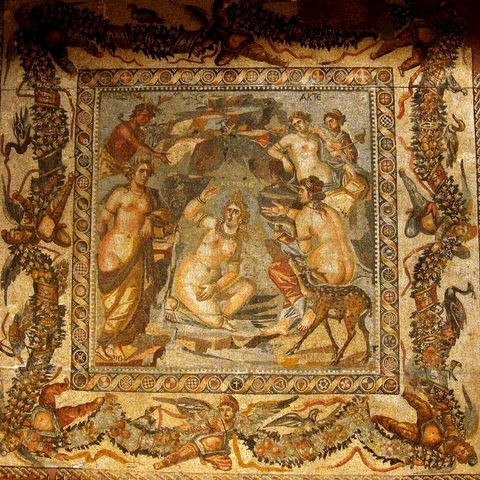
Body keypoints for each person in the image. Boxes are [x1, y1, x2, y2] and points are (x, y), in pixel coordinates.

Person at [96, 158, 170, 361]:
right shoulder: (120, 193)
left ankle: (111, 343)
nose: (145, 175)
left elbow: (165, 214)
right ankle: (107, 344)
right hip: (113, 248)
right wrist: (106, 244)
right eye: (141, 171)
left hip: (135, 251)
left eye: (148, 172)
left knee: (130, 298)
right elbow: (102, 221)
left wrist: (150, 219)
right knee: (112, 299)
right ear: (132, 172)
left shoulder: (151, 196)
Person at [262, 176, 356, 334]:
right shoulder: (329, 210)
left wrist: (284, 239)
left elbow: (303, 250)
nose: (298, 193)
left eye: (301, 190)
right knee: (292, 267)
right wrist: (286, 211)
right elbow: (312, 220)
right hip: (348, 270)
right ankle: (287, 322)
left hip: (327, 275)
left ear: (310, 193)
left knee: (278, 269)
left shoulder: (303, 216)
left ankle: (306, 312)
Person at [168, 188, 255, 330]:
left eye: (236, 212)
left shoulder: (236, 242)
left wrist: (215, 286)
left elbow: (233, 272)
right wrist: (201, 199)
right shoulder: (213, 224)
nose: (230, 214)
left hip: (211, 286)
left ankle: (223, 317)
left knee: (248, 286)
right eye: (229, 210)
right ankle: (176, 305)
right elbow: (189, 214)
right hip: (190, 281)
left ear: (241, 218)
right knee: (216, 322)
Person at [371, 387, 477, 466]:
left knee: (399, 428)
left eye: (459, 457)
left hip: (418, 435)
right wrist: (445, 411)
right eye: (462, 451)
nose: (458, 453)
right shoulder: (454, 435)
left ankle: (377, 418)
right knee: (422, 405)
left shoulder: (444, 457)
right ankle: (403, 392)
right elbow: (448, 423)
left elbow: (426, 458)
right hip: (428, 421)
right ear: (464, 445)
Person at [154, 395, 239, 471]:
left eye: (228, 410)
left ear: (234, 411)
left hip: (216, 451)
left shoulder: (236, 426)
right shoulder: (215, 421)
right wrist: (190, 427)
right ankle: (164, 463)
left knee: (227, 465)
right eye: (222, 410)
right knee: (183, 453)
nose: (225, 413)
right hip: (200, 443)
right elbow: (201, 428)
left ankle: (209, 458)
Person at [100, 102, 170, 178]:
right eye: (144, 116)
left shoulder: (140, 133)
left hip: (124, 166)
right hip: (109, 163)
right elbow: (136, 144)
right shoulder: (124, 128)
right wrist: (155, 154)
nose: (146, 120)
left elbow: (142, 149)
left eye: (149, 118)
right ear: (137, 113)